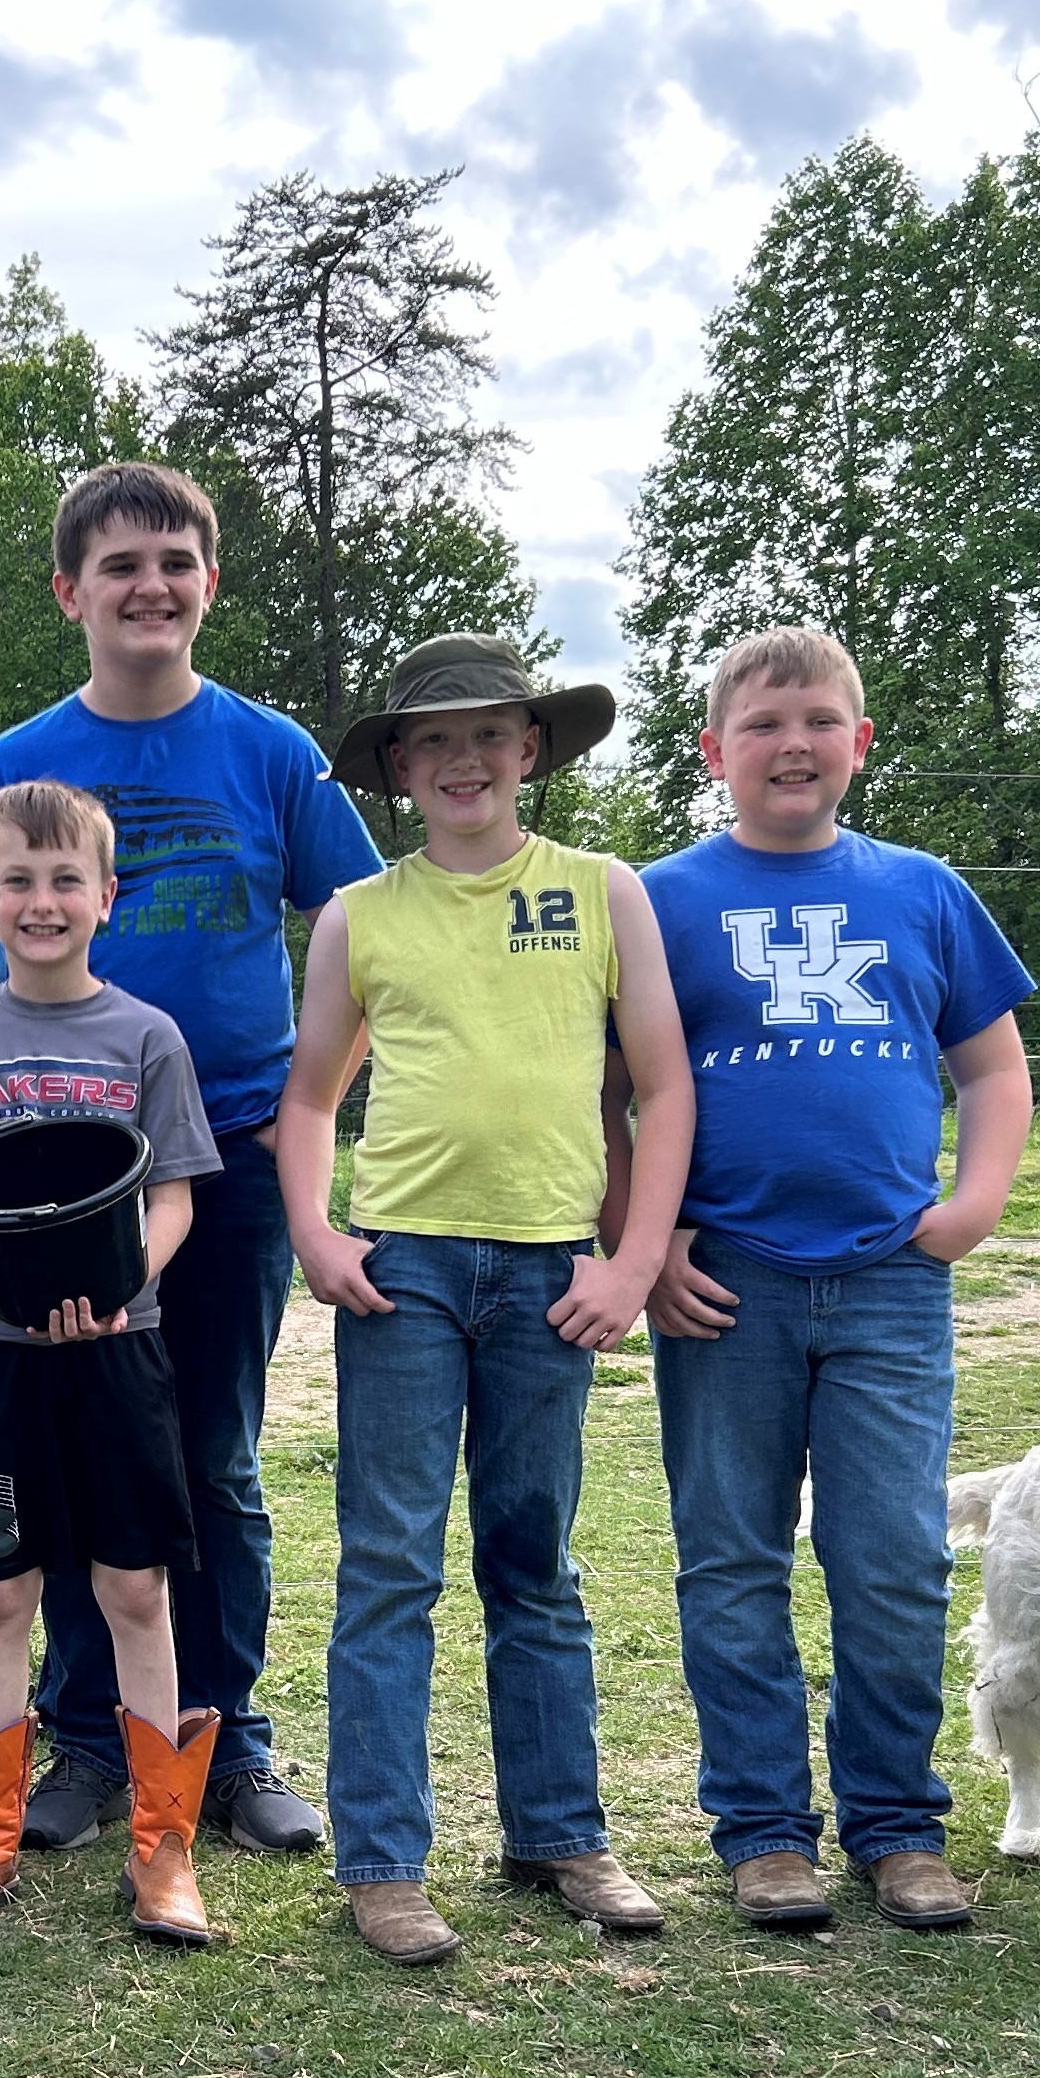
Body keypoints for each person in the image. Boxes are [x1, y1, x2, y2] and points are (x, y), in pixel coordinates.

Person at [0, 462, 382, 1861]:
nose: (151, 586)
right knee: (55, 1461)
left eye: (175, 560)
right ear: (71, 594)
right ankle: (79, 1745)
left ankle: (226, 1745)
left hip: (214, 1161)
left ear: (208, 583)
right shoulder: (12, 768)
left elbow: (359, 944)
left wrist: (305, 1104)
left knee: (208, 1460)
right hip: (41, 1189)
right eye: (120, 566)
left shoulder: (273, 755)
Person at [283, 639, 697, 1966]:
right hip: (402, 1272)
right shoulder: (362, 913)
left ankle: (561, 1834)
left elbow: (662, 1086)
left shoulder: (603, 893)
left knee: (538, 1563)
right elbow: (308, 1097)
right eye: (433, 742)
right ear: (399, 769)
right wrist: (315, 1232)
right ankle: (385, 1862)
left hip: (548, 1274)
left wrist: (630, 1260)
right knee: (390, 1564)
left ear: (532, 748)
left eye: (489, 735)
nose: (464, 760)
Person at [630, 625, 1033, 1934]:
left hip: (887, 1286)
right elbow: (604, 1092)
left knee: (893, 1558)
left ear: (859, 743)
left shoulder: (921, 892)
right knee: (732, 1560)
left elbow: (991, 1068)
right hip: (724, 1284)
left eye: (817, 720)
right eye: (762, 723)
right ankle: (760, 1832)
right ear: (713, 752)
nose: (790, 743)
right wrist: (648, 1240)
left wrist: (970, 1204)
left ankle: (897, 1826)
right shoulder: (660, 902)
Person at [0, 783, 225, 1942]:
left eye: (64, 880)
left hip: (117, 1353)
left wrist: (132, 1282)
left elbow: (176, 1191)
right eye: (17, 883)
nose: (42, 902)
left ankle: (163, 1849)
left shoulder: (146, 1037)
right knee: (0, 1592)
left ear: (105, 896)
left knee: (136, 1587)